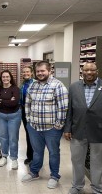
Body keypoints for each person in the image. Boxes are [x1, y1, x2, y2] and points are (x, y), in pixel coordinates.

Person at [64, 62, 102, 194]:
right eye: (86, 70)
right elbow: (70, 110)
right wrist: (67, 128)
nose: (89, 73)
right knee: (77, 160)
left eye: (92, 70)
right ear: (82, 71)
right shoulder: (74, 87)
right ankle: (77, 186)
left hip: (100, 132)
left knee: (98, 162)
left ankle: (97, 188)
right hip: (78, 130)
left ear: (97, 71)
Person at [21, 61, 68, 189]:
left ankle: (54, 176)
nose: (40, 73)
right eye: (38, 71)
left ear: (49, 71)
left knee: (53, 152)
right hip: (34, 127)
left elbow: (63, 107)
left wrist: (58, 125)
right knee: (37, 151)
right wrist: (29, 121)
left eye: (43, 71)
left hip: (51, 128)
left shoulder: (58, 85)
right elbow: (28, 104)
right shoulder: (33, 85)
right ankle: (34, 172)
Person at [0, 70, 22, 170]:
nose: (5, 79)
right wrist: (9, 100)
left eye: (7, 77)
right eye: (3, 77)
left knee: (13, 138)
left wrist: (2, 101)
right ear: (1, 78)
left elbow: (14, 103)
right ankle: (4, 156)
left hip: (14, 115)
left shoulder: (15, 89)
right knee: (3, 137)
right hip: (1, 116)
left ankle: (14, 159)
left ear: (10, 78)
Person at [20, 66, 34, 165]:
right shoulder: (22, 84)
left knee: (34, 135)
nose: (26, 73)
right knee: (28, 134)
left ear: (32, 73)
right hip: (24, 112)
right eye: (24, 72)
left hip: (34, 112)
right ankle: (30, 156)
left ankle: (35, 157)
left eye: (27, 72)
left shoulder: (35, 83)